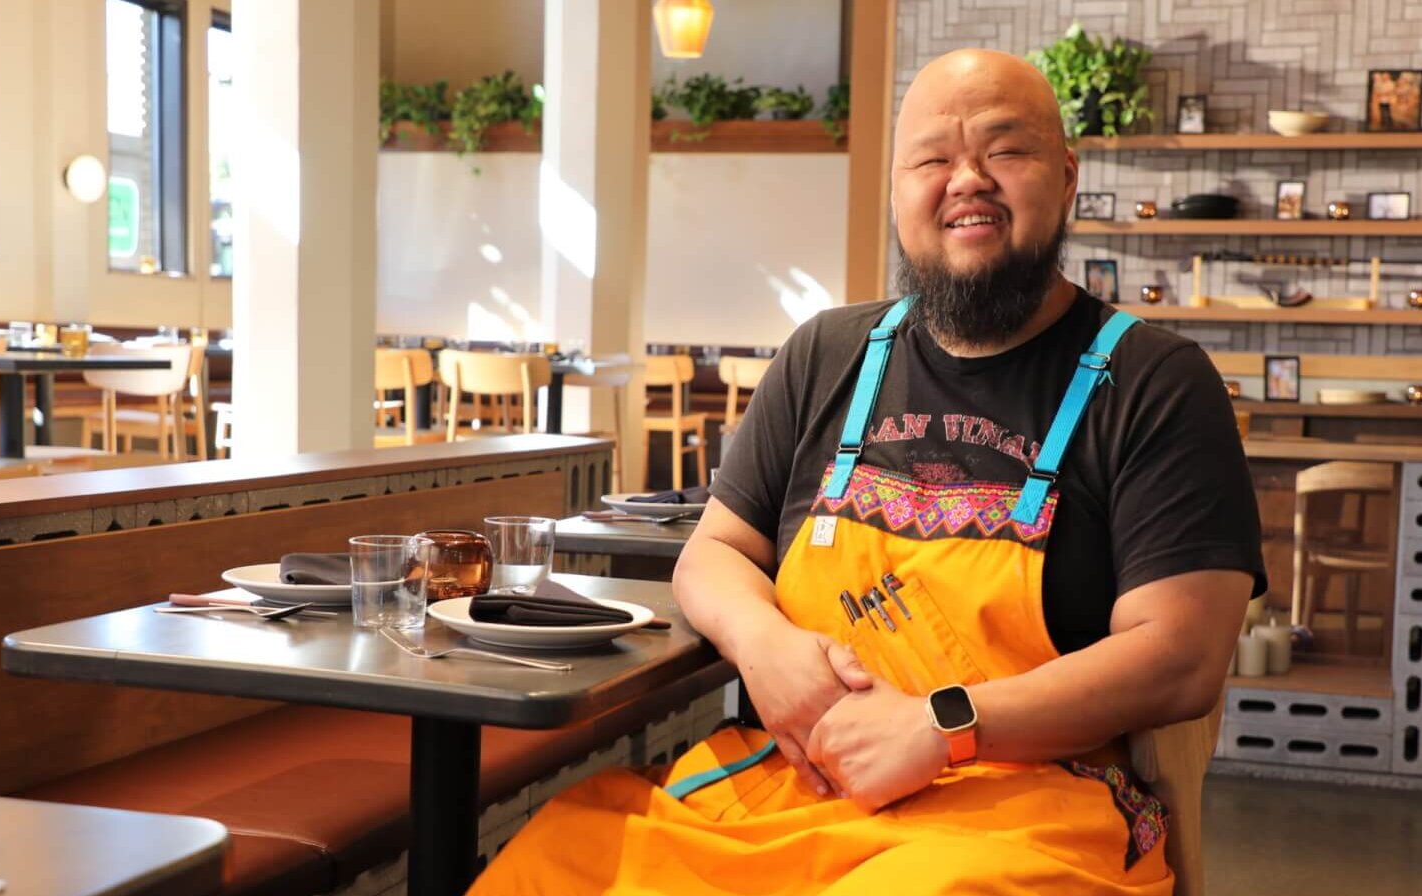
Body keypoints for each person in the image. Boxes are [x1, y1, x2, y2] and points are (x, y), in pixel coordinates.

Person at [469, 48, 1266, 895]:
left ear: (1066, 178)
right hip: (790, 789)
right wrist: (763, 644)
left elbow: (1181, 656)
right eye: (932, 158)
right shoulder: (826, 354)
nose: (967, 180)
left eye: (1004, 151)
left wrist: (944, 725)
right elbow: (715, 552)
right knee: (546, 867)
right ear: (897, 192)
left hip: (1020, 813)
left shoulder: (1155, 382)